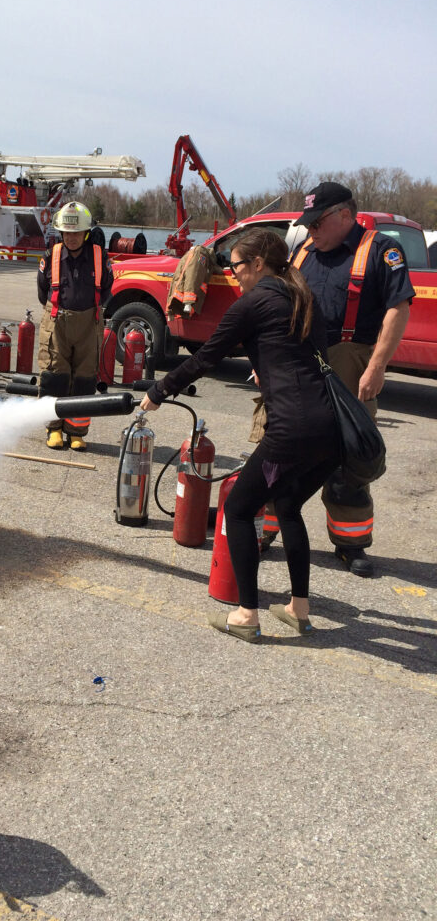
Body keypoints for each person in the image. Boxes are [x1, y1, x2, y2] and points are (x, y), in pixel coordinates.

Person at [141, 228, 341, 643]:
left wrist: (158, 392)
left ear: (257, 265)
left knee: (239, 509)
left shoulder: (254, 302)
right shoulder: (302, 297)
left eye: (235, 267)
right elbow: (308, 351)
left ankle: (246, 615)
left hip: (291, 430)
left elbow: (206, 357)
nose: (232, 275)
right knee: (287, 506)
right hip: (330, 431)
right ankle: (298, 609)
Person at [289, 181, 415, 577]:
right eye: (307, 222)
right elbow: (281, 302)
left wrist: (377, 366)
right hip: (298, 360)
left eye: (318, 221)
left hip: (350, 361)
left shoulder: (381, 251)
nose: (311, 230)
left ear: (345, 215)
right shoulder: (304, 251)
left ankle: (350, 543)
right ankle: (263, 527)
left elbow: (398, 308)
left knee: (350, 457)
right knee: (281, 446)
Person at [37, 201, 113, 450]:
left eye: (76, 233)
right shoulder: (51, 257)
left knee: (84, 379)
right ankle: (54, 428)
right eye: (67, 233)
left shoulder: (100, 257)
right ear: (61, 233)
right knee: (54, 376)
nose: (71, 238)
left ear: (86, 233)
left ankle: (77, 431)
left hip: (89, 323)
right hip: (57, 322)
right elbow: (42, 292)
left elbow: (107, 290)